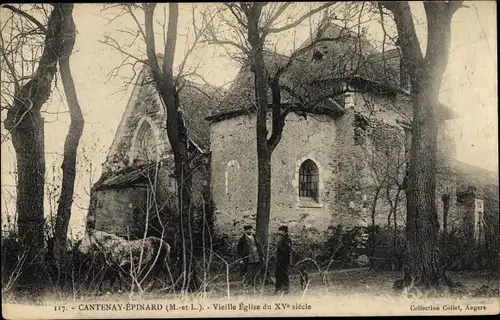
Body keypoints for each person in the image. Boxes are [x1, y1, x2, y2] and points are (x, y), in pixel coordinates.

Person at [275, 225, 292, 294]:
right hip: (280, 259)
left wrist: (279, 254)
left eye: (280, 231)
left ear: (283, 231)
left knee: (284, 274)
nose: (279, 232)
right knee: (278, 274)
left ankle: (285, 288)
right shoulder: (282, 238)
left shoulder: (287, 239)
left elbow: (285, 250)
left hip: (283, 260)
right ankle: (279, 288)